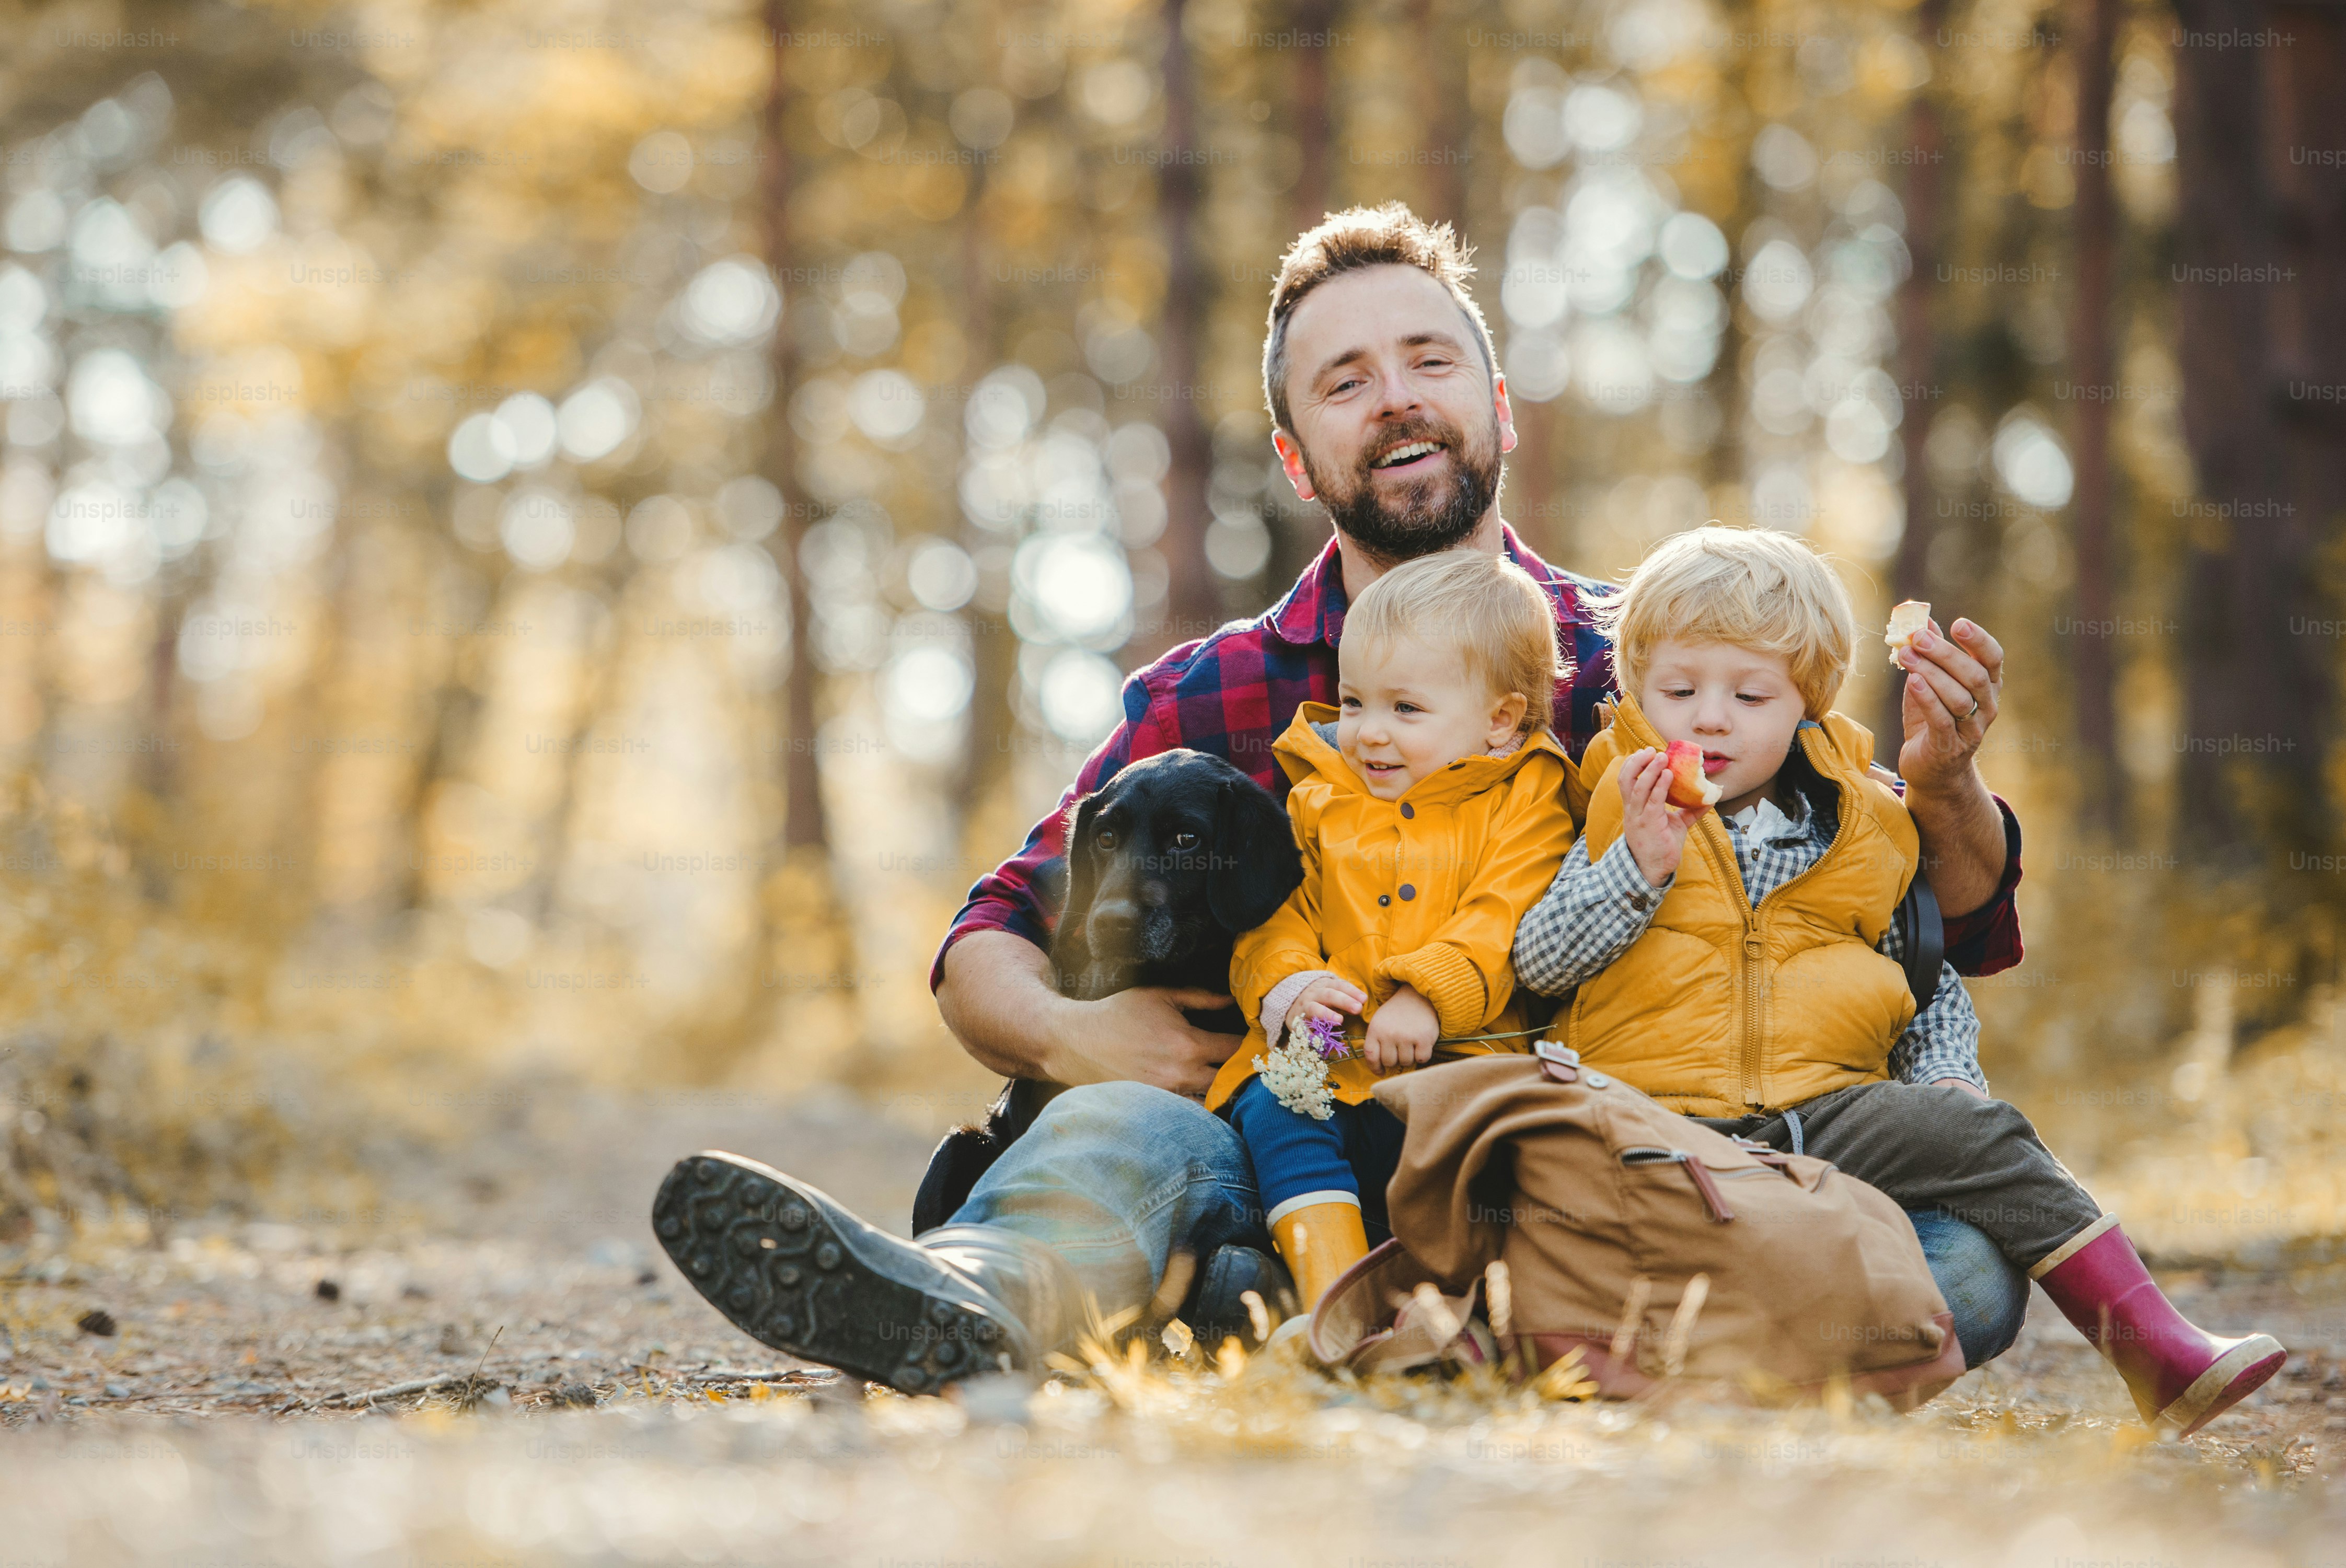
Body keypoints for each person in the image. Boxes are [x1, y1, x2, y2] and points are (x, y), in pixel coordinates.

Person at [653, 203, 2032, 1391]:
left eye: (1430, 360)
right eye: (1345, 380)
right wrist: (1080, 1035)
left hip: (1583, 1165)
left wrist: (1945, 787)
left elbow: (1932, 924)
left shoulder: (1661, 660)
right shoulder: (1218, 692)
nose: (1396, 398)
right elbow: (982, 946)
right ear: (1295, 454)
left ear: (1496, 408)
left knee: (1962, 1266)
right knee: (1120, 1133)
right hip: (1295, 1129)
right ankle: (968, 1293)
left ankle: (1303, 1315)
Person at [1509, 525, 2283, 1433]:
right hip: (1661, 1130)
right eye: (1679, 690)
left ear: (1806, 700)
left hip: (1825, 1121)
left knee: (1976, 1177)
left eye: (1748, 693)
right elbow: (1540, 960)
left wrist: (1946, 1080)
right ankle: (1740, 1376)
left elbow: (1925, 985)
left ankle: (2154, 1344)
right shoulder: (1613, 800)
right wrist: (1634, 870)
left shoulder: (1867, 826)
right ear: (1637, 686)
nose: (1709, 717)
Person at [1217, 551, 1573, 1312]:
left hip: (1462, 1071)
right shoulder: (1318, 800)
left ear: (1499, 719)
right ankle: (1329, 1306)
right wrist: (1289, 984)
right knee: (1275, 1114)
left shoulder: (1527, 798)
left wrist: (1428, 993)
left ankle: (1466, 1311)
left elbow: (1505, 912)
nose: (1369, 734)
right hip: (1330, 1069)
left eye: (1405, 710)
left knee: (1516, 1156)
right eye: (1353, 703)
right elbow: (1275, 915)